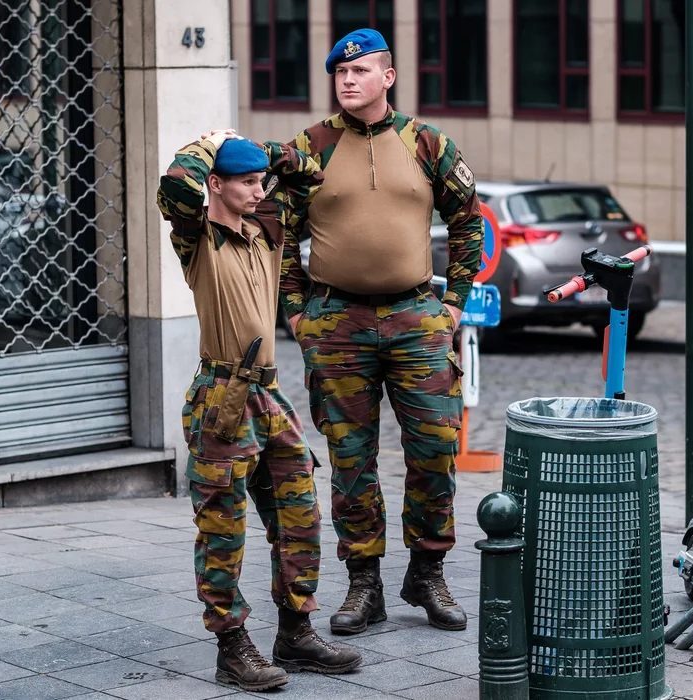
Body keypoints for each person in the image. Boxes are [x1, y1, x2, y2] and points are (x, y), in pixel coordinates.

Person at [280, 29, 483, 635]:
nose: (347, 81)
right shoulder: (309, 147)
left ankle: (427, 573)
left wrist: (455, 304)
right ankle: (363, 584)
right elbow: (279, 231)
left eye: (361, 71)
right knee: (350, 459)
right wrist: (296, 310)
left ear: (387, 77)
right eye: (340, 73)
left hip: (417, 319)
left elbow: (468, 218)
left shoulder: (426, 142)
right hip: (336, 322)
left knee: (435, 452)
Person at [157, 130, 362, 691]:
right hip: (221, 397)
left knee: (300, 514)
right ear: (216, 186)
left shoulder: (267, 228)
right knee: (222, 527)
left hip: (270, 397)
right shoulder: (197, 236)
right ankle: (231, 645)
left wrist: (258, 150)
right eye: (244, 182)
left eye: (258, 181)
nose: (257, 189)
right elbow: (176, 182)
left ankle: (295, 632)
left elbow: (309, 172)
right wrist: (211, 142)